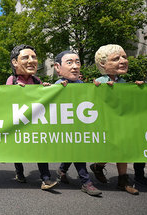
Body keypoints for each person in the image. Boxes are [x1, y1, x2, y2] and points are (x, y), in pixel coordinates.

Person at [6, 44, 57, 190]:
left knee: (40, 150)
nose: (31, 60)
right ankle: (19, 172)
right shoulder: (12, 80)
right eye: (26, 57)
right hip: (18, 123)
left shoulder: (37, 81)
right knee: (18, 150)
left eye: (34, 57)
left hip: (35, 124)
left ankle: (46, 179)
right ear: (15, 62)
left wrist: (47, 89)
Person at [90, 44, 139, 195]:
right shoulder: (99, 81)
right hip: (106, 124)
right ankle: (98, 166)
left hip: (121, 123)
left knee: (122, 151)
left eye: (124, 57)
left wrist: (141, 90)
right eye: (117, 58)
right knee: (110, 150)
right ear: (103, 64)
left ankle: (123, 182)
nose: (123, 60)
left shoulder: (123, 82)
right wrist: (101, 88)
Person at [53, 50, 102, 196]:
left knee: (74, 150)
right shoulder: (56, 86)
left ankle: (62, 170)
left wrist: (100, 90)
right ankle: (86, 182)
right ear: (58, 68)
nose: (75, 66)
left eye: (78, 62)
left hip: (79, 127)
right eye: (69, 63)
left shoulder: (83, 85)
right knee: (77, 151)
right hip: (64, 128)